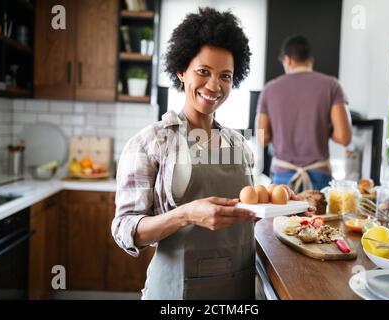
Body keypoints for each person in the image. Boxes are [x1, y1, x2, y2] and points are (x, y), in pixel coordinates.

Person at [111, 7, 257, 300]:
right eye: (203, 72)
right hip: (175, 291)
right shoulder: (150, 142)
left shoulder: (239, 145)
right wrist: (186, 214)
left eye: (225, 76)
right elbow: (125, 230)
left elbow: (244, 216)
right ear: (181, 71)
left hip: (237, 289)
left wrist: (282, 206)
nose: (214, 86)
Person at [256, 35, 352, 192]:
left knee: (282, 218)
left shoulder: (269, 89)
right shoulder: (332, 86)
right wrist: (322, 129)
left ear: (287, 60)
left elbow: (262, 138)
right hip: (319, 180)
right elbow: (344, 137)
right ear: (310, 60)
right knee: (319, 218)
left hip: (282, 181)